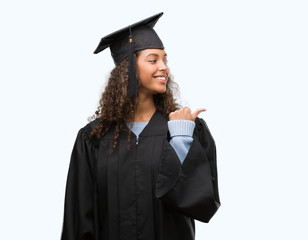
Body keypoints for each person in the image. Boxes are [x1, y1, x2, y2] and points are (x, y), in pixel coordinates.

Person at [61, 12, 220, 240]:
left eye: (165, 60)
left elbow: (202, 204)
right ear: (129, 69)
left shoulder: (186, 129)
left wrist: (181, 139)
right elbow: (80, 218)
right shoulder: (94, 137)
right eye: (153, 60)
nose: (164, 67)